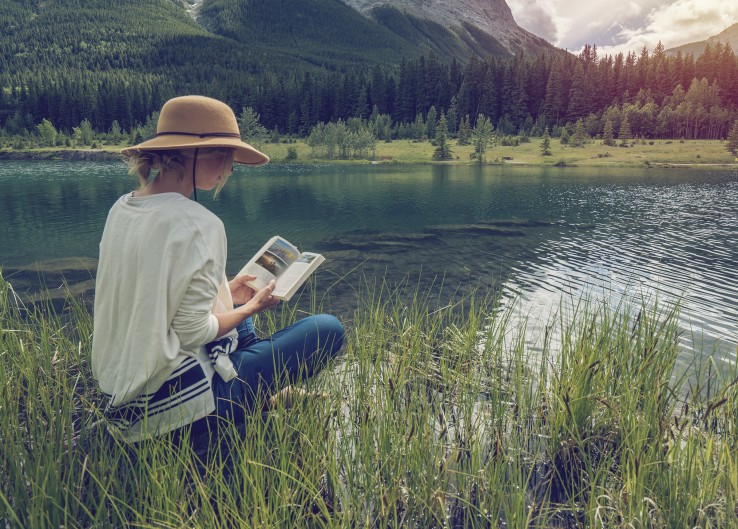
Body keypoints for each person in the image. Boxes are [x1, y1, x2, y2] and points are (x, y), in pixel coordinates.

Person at [91, 95, 344, 442]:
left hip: (122, 399)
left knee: (234, 300)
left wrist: (228, 288)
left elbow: (152, 293)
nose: (231, 168)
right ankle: (249, 395)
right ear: (196, 156)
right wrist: (254, 306)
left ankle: (261, 392)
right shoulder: (199, 224)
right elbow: (194, 333)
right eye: (227, 156)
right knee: (328, 330)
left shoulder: (122, 209)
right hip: (174, 412)